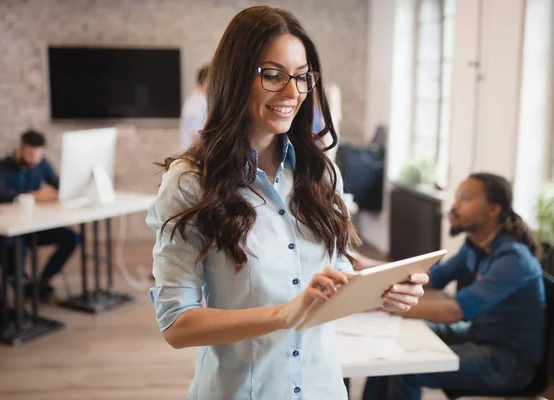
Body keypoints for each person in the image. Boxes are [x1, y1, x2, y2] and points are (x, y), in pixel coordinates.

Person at [146, 6, 428, 399]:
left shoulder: (321, 174)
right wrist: (286, 314)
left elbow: (335, 276)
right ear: (236, 75)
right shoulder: (191, 182)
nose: (293, 92)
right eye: (274, 75)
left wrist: (383, 291)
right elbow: (177, 325)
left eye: (301, 77)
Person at [363, 173, 546, 400]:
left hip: (508, 361)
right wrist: (372, 267)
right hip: (478, 334)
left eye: (465, 198)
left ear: (493, 209)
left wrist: (384, 306)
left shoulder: (514, 258)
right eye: (457, 197)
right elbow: (433, 277)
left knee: (405, 368)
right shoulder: (476, 245)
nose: (454, 206)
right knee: (389, 345)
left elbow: (454, 311)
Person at [0, 129, 77, 303]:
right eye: (30, 154)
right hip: (10, 229)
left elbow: (61, 186)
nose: (34, 159)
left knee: (71, 238)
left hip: (35, 226)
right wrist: (33, 195)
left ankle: (42, 283)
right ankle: (23, 292)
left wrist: (61, 192)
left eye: (38, 154)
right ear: (20, 149)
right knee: (15, 247)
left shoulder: (41, 165)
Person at [180, 64, 209, 151]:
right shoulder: (197, 104)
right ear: (207, 80)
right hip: (195, 157)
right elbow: (197, 137)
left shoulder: (198, 100)